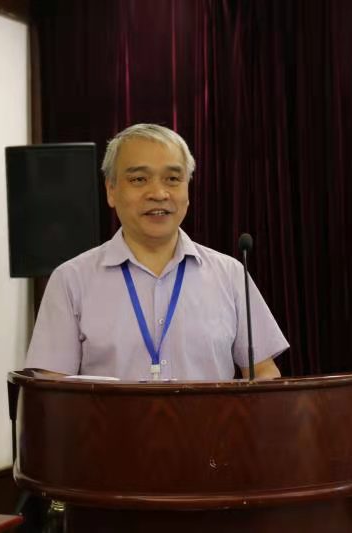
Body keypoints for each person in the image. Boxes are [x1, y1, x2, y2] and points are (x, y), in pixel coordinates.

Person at [25, 123, 288, 380]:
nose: (159, 193)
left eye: (172, 179)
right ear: (111, 190)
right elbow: (52, 386)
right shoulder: (71, 280)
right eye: (139, 179)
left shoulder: (229, 275)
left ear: (187, 190)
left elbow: (263, 371)